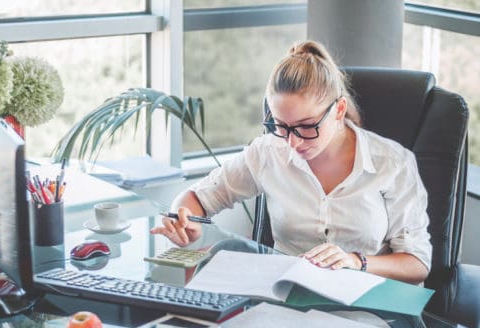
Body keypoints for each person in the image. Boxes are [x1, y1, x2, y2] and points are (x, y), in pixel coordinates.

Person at [151, 40, 432, 285]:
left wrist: (356, 261)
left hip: (370, 304)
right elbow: (196, 198)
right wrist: (181, 220)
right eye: (280, 126)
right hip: (288, 298)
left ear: (339, 110)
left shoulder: (392, 163)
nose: (293, 143)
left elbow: (417, 264)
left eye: (307, 127)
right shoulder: (268, 152)